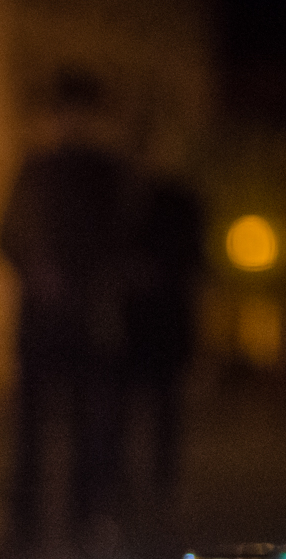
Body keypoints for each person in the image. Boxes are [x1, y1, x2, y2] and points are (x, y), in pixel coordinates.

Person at [0, 70, 131, 550]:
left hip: (87, 316)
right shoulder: (34, 169)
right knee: (31, 422)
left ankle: (88, 512)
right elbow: (6, 234)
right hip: (40, 316)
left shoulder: (107, 174)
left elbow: (123, 239)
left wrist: (88, 281)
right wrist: (35, 270)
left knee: (90, 420)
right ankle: (25, 516)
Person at [124, 176, 203, 499]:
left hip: (161, 319)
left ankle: (161, 480)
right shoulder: (127, 193)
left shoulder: (179, 201)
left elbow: (196, 258)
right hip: (137, 319)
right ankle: (133, 479)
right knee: (131, 406)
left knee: (164, 407)